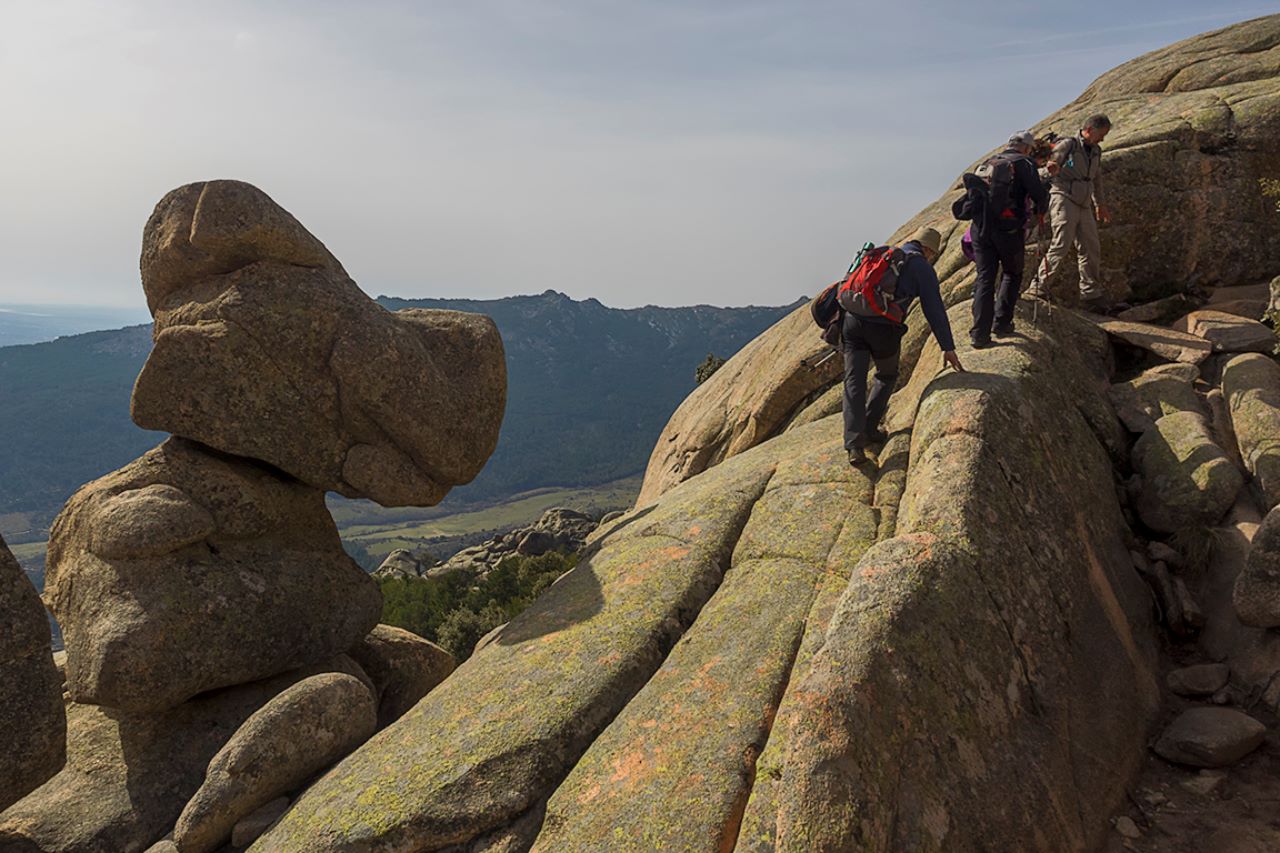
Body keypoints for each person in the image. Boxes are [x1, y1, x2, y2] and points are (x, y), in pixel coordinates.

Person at [842, 226, 964, 466]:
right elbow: (934, 309)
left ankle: (854, 445)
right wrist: (947, 347)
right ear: (928, 250)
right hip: (882, 328)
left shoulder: (885, 254)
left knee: (853, 380)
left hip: (852, 322)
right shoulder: (921, 267)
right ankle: (869, 427)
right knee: (886, 375)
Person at [968, 131, 1049, 348]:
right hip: (1007, 229)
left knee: (985, 278)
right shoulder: (1024, 163)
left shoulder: (990, 161)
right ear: (1026, 148)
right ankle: (1001, 323)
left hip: (980, 227)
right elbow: (1039, 194)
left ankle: (979, 335)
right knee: (1012, 273)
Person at [1027, 114, 1113, 311]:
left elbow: (1096, 179)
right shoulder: (1068, 145)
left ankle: (1091, 294)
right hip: (1064, 197)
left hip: (1084, 203)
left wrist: (1100, 204)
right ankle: (1038, 287)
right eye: (1101, 134)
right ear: (1089, 129)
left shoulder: (1096, 151)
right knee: (1061, 244)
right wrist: (1051, 168)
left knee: (1091, 247)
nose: (1102, 139)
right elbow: (1047, 170)